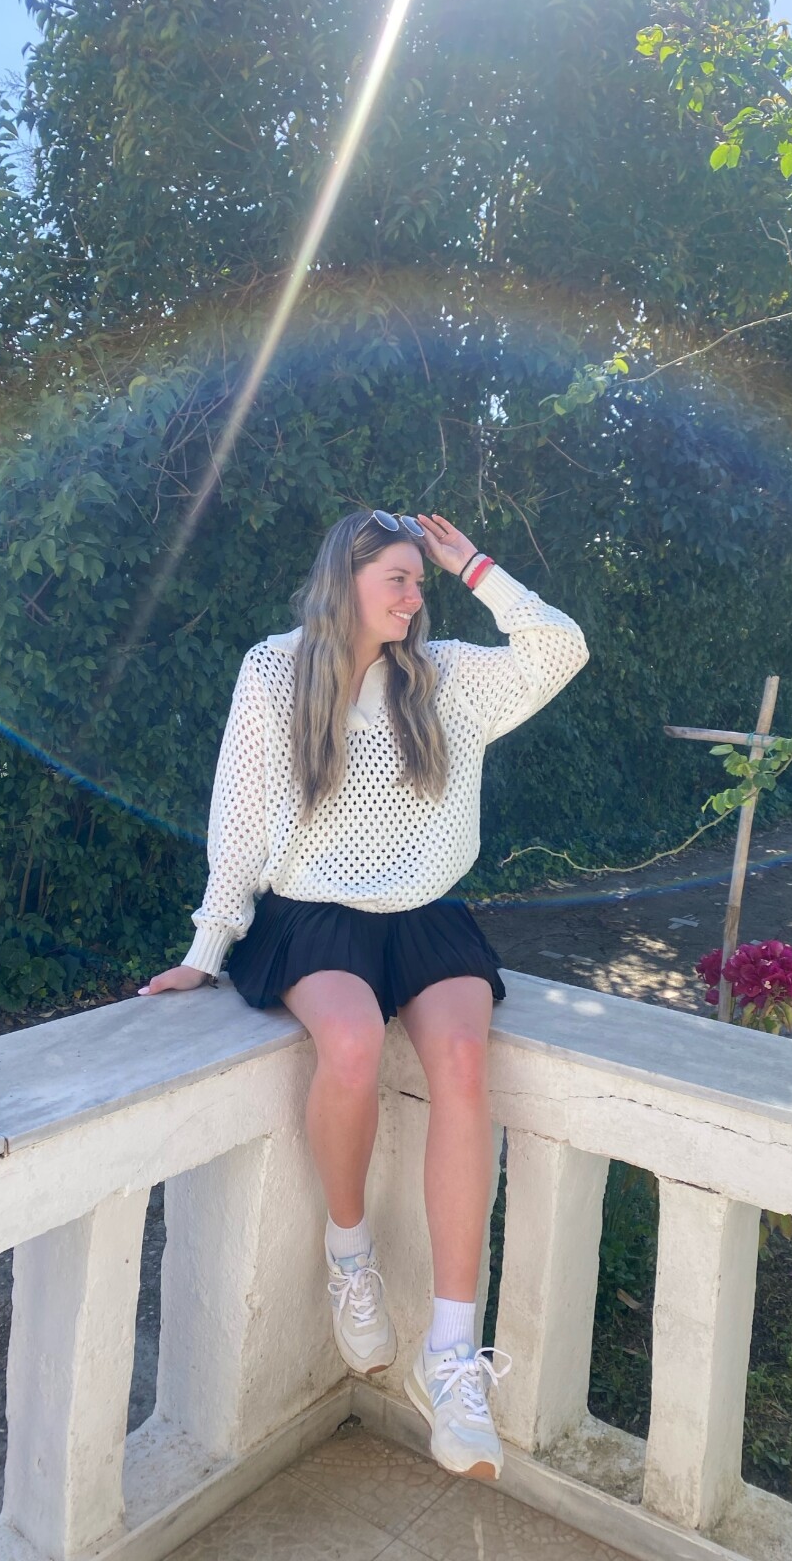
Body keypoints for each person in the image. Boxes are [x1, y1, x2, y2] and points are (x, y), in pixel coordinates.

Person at [141, 509, 588, 1480]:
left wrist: (473, 564)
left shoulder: (445, 676)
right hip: (313, 915)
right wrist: (208, 947)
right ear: (343, 578)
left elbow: (560, 648)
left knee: (463, 1057)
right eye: (397, 578)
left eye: (420, 581)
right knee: (348, 1043)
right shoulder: (276, 670)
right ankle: (350, 1256)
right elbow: (237, 817)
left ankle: (451, 1356)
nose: (414, 597)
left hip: (426, 913)